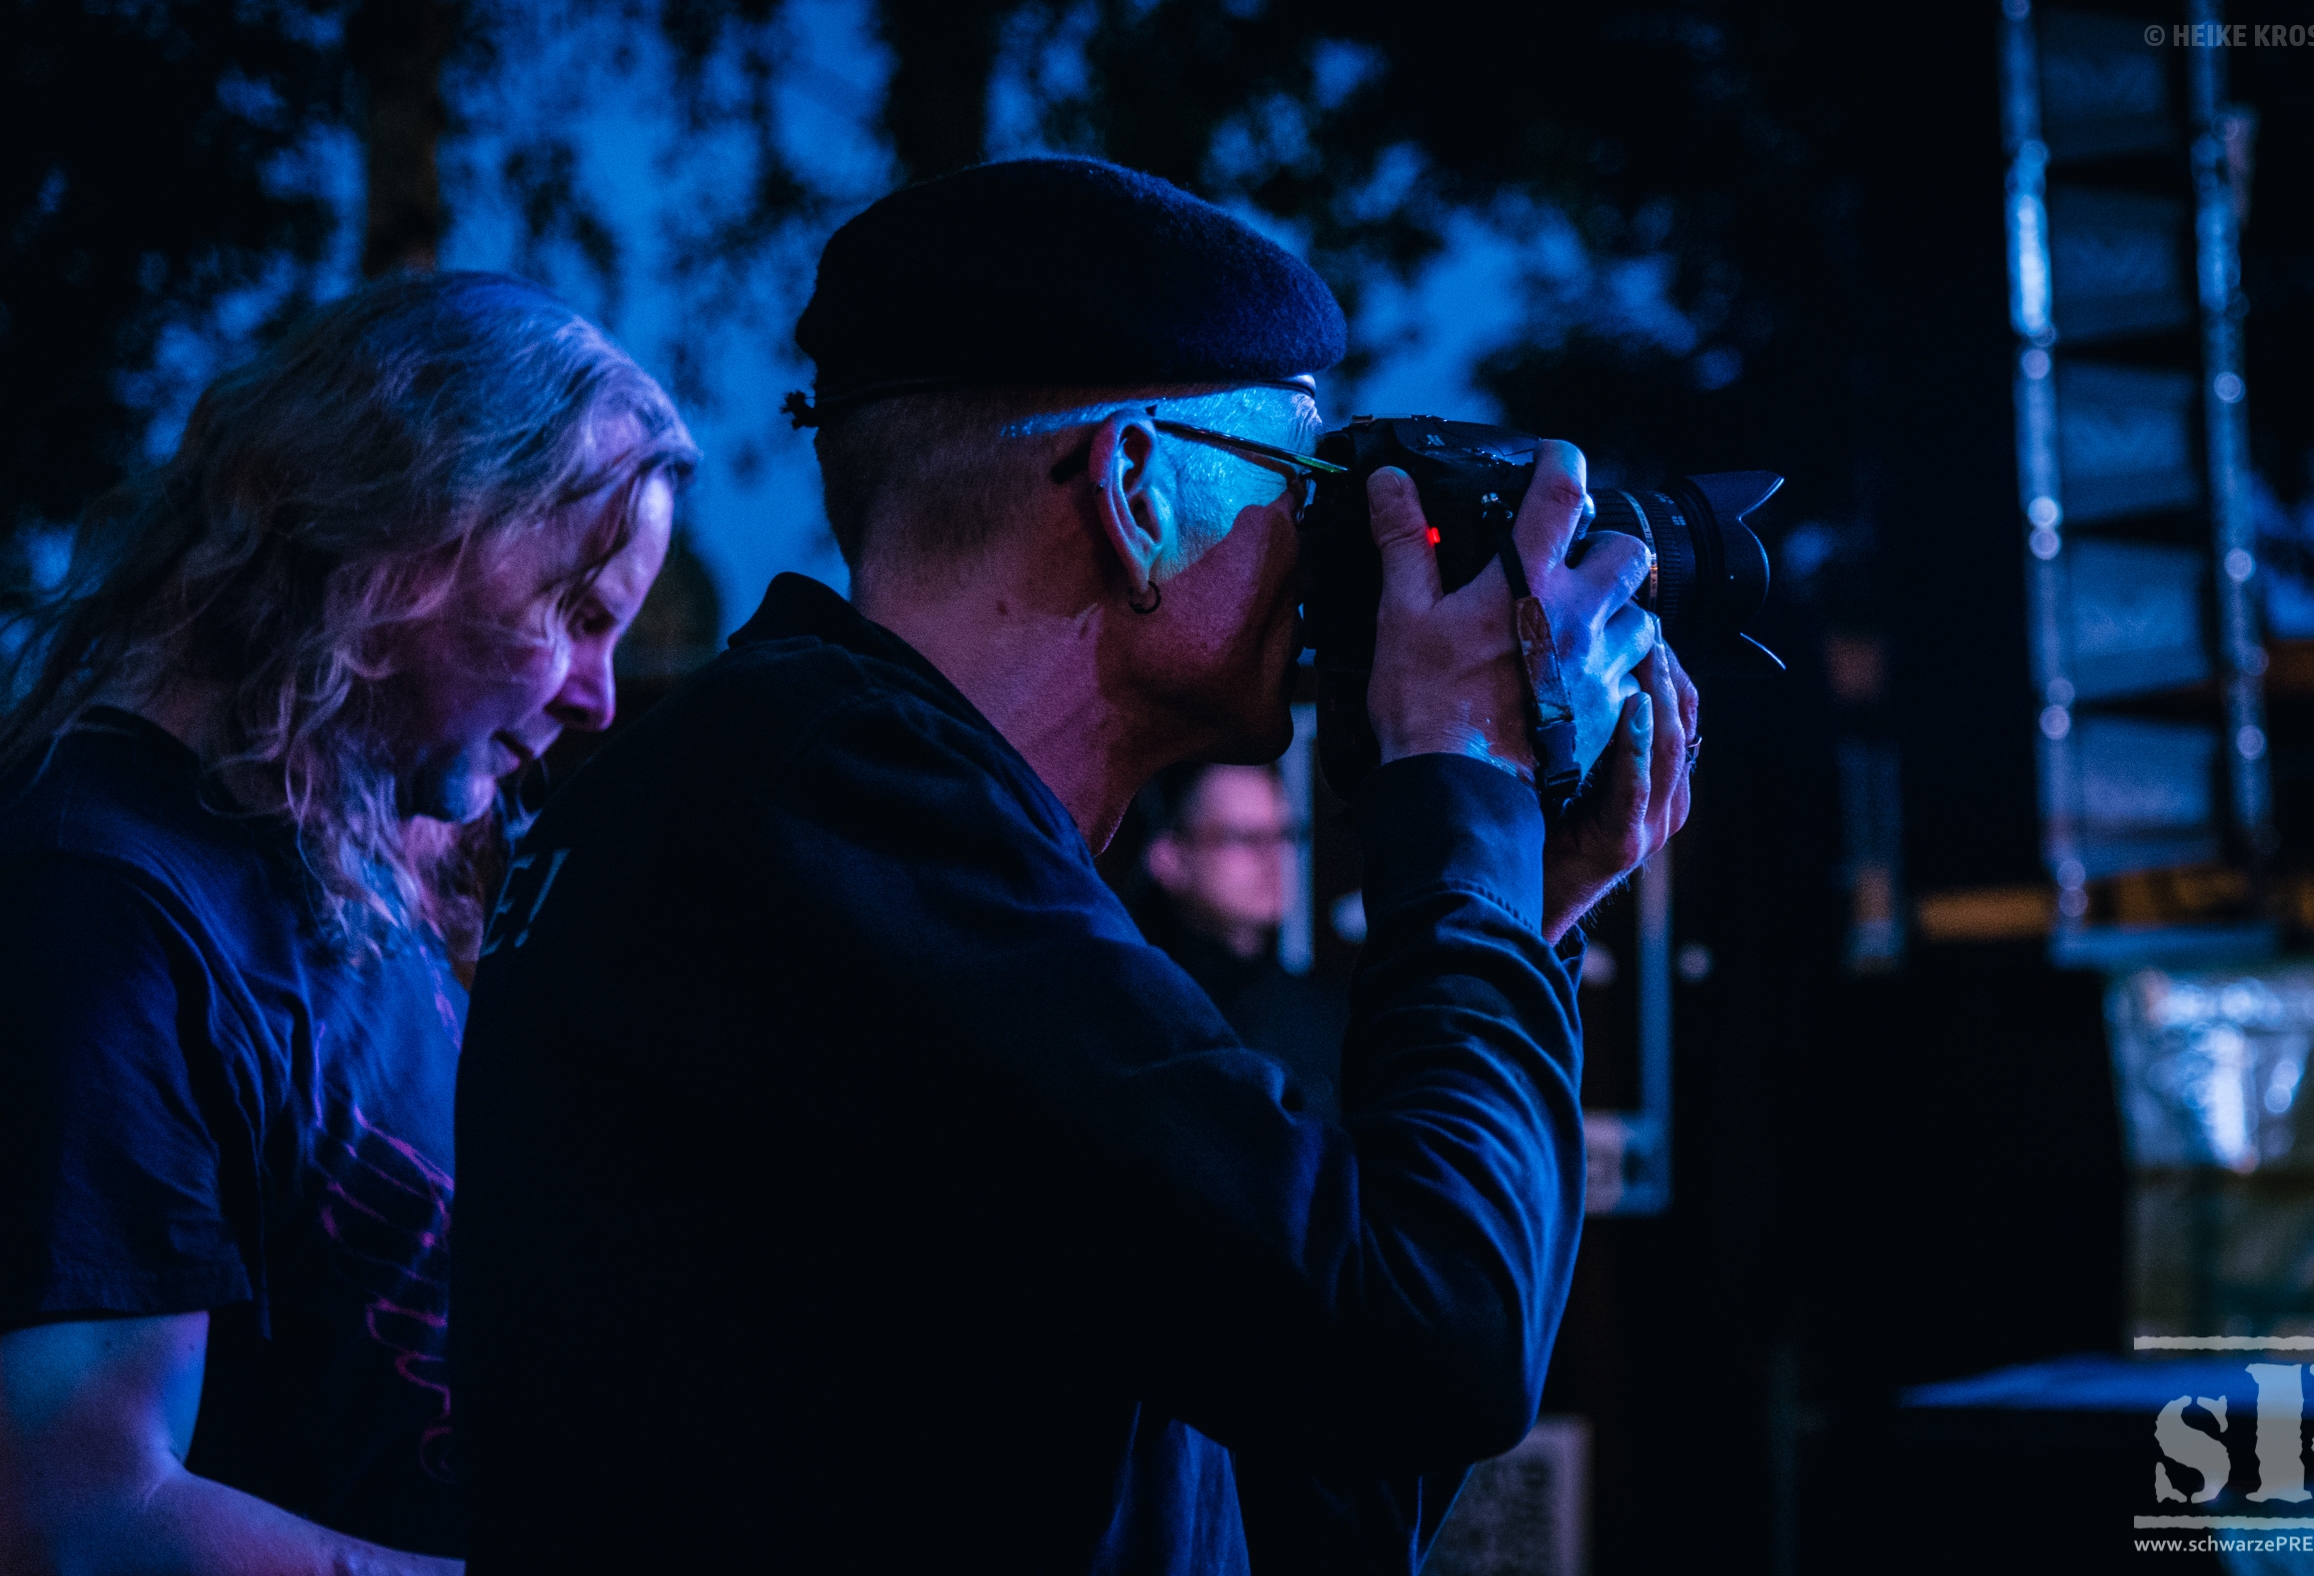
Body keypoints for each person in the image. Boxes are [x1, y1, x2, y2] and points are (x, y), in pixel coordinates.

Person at [452, 158, 1696, 1575]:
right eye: (1301, 484)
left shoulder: (868, 831)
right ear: (1135, 491)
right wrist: (1461, 788)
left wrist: (1521, 915)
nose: (1324, 554)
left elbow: (1318, 1484)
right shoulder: (826, 800)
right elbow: (1429, 1337)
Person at [0, 272, 695, 1574]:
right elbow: (76, 1511)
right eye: (578, 613)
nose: (598, 696)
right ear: (409, 532)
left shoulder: (352, 875)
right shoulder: (104, 909)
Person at [1134, 762, 1343, 1119]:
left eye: (1286, 834)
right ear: (1170, 858)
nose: (1273, 857)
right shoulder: (1140, 1013)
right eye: (1242, 837)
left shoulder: (1328, 1016)